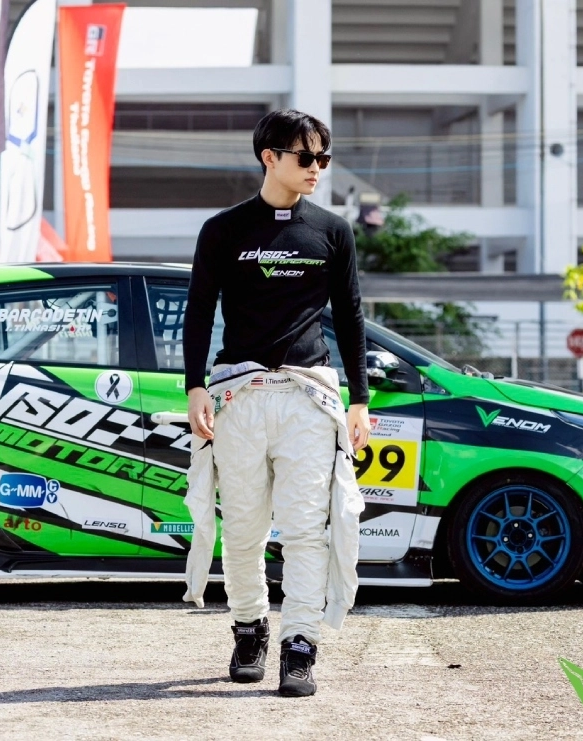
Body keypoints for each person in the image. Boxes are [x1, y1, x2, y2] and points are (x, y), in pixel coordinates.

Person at [182, 109, 370, 697]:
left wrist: (360, 399)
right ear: (270, 157)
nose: (317, 168)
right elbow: (198, 311)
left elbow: (351, 317)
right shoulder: (223, 229)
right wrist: (193, 387)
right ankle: (249, 630)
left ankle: (300, 645)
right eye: (305, 157)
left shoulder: (333, 231)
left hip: (307, 400)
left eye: (324, 158)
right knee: (243, 533)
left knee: (306, 532)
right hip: (237, 398)